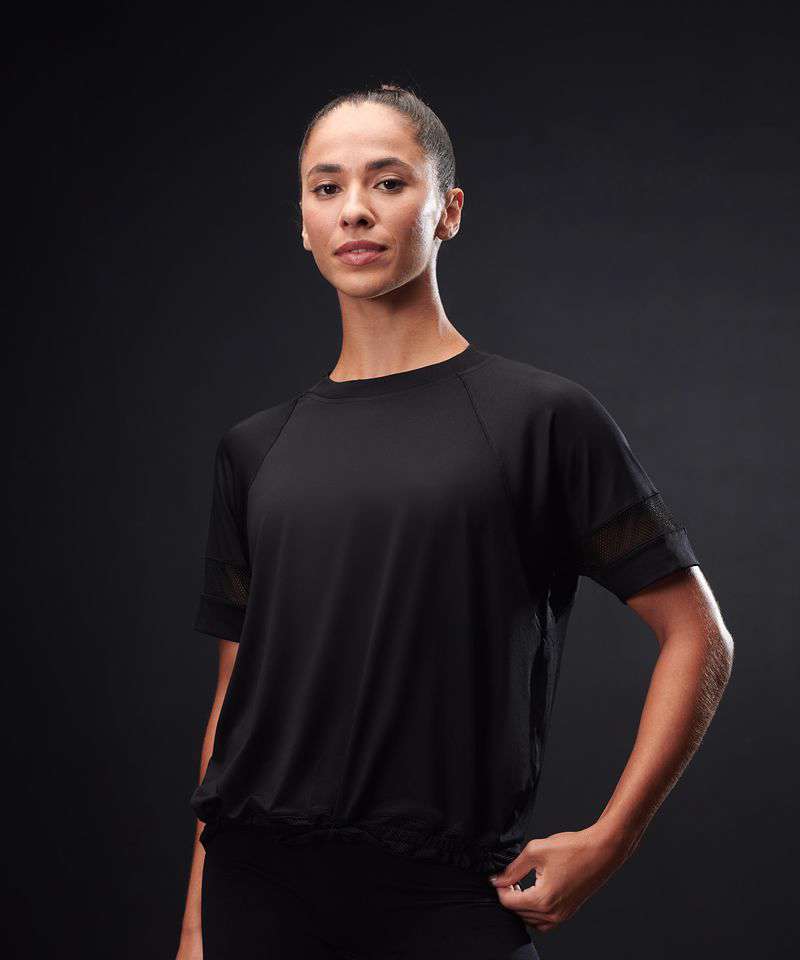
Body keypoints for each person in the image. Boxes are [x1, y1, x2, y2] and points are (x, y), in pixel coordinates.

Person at [175, 84, 734, 960]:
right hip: (256, 894)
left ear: (448, 211)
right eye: (327, 187)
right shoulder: (255, 449)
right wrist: (196, 927)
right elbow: (235, 699)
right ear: (304, 224)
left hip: (442, 897)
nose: (355, 210)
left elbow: (699, 637)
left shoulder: (540, 420)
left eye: (388, 182)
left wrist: (610, 839)